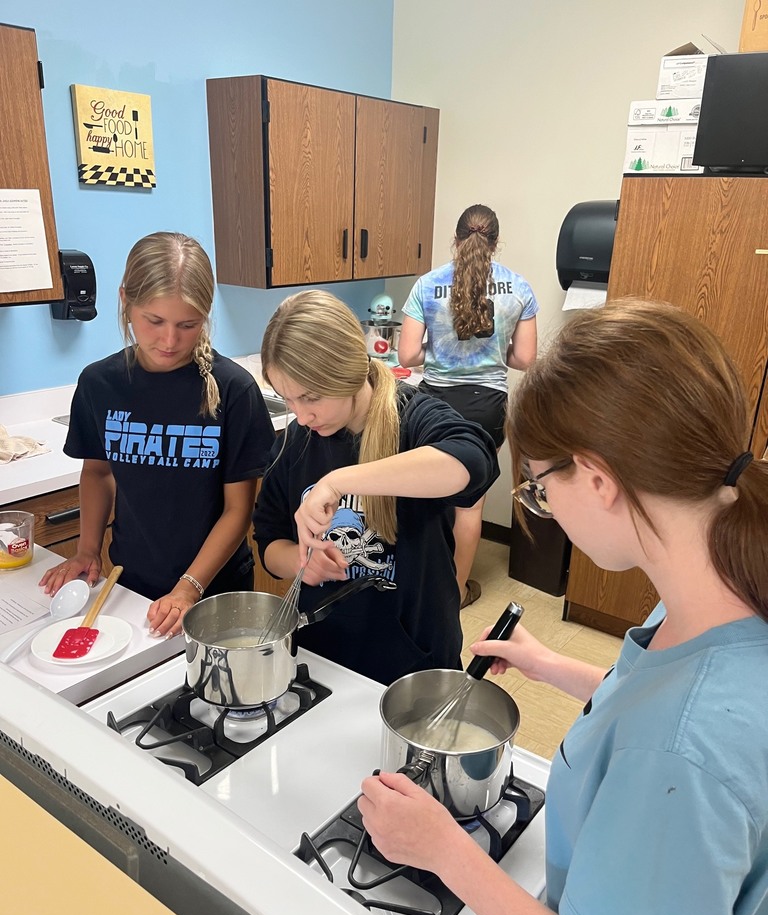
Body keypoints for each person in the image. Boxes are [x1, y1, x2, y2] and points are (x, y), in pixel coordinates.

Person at [359, 299, 768, 915]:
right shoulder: (717, 595)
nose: (541, 503)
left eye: (541, 487)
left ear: (599, 478)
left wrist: (448, 851)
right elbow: (670, 697)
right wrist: (560, 669)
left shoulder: (680, 752)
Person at [252, 289, 499, 686]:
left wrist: (338, 481)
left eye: (311, 397)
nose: (300, 414)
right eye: (288, 399)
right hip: (322, 652)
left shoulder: (413, 417)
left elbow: (472, 462)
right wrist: (302, 562)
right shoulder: (292, 445)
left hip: (411, 659)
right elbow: (269, 544)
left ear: (349, 372)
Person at [40, 232, 275, 638]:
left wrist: (189, 587)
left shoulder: (234, 390)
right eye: (154, 321)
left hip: (214, 589)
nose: (170, 341)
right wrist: (86, 550)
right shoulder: (99, 384)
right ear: (125, 300)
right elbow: (97, 472)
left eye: (188, 324)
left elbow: (238, 509)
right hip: (128, 581)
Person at [398, 203, 538, 609]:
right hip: (487, 406)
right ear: (495, 243)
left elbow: (406, 356)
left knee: (424, 494)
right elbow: (526, 359)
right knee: (468, 503)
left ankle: (418, 581)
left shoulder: (427, 285)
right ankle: (455, 591)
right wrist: (494, 355)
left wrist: (441, 350)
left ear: (456, 240)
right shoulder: (519, 288)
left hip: (432, 405)